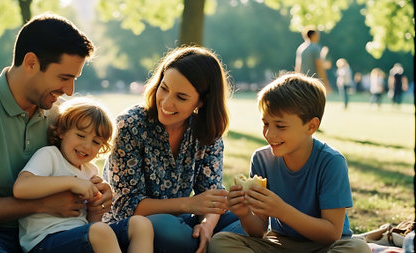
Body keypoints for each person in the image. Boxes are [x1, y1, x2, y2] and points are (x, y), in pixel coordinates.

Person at [0, 13, 112, 252]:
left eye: (74, 79)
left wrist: (96, 196)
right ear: (31, 62)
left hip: (53, 233)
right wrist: (41, 204)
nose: (69, 91)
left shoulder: (59, 118)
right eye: (64, 78)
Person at [102, 46, 244, 253]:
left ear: (202, 101)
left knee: (243, 220)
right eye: (164, 88)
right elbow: (126, 206)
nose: (167, 102)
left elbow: (212, 194)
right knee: (163, 227)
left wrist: (207, 225)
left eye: (181, 97)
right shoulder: (130, 125)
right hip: (135, 227)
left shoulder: (207, 131)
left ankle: (206, 243)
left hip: (184, 222)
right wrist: (189, 205)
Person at [208, 72, 370, 253]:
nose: (269, 134)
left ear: (311, 126)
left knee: (358, 248)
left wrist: (282, 211)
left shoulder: (331, 162)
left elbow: (331, 233)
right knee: (221, 242)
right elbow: (259, 231)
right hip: (279, 244)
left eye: (280, 126)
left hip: (325, 247)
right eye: (266, 123)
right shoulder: (261, 159)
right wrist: (244, 214)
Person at [13, 97, 154, 253]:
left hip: (80, 236)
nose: (87, 146)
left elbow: (91, 224)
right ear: (61, 132)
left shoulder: (90, 170)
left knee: (140, 225)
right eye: (80, 135)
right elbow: (21, 188)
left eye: (96, 142)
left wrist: (96, 210)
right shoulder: (50, 156)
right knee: (100, 232)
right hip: (44, 241)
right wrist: (72, 182)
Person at [295, 26, 332, 93]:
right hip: (314, 82)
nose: (318, 37)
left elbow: (298, 67)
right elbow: (319, 66)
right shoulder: (315, 47)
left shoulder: (300, 48)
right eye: (317, 35)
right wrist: (326, 83)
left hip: (304, 82)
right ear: (313, 35)